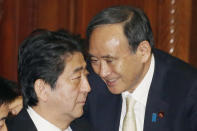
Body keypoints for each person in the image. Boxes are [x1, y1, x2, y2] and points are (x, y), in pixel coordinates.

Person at [85, 5, 197, 131]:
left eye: (110, 60)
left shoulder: (188, 90)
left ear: (143, 51)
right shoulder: (87, 84)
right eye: (95, 60)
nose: (102, 72)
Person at [6, 29, 91, 131]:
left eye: (86, 75)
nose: (87, 88)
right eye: (77, 78)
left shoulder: (88, 127)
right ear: (42, 89)